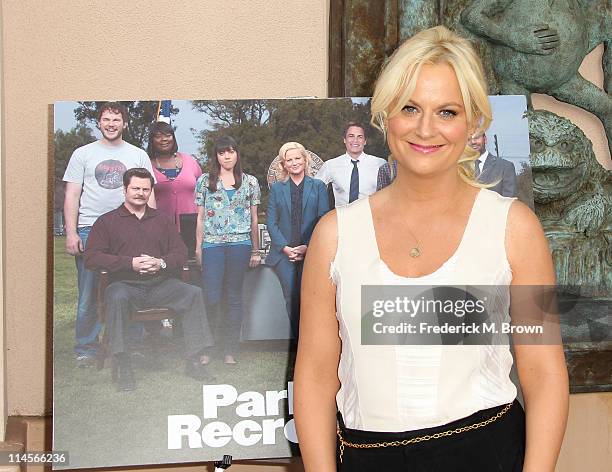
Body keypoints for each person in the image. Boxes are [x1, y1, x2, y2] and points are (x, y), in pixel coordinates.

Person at [294, 26, 568, 471]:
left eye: (446, 111)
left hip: (489, 453)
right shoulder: (333, 236)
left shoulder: (517, 229)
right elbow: (315, 375)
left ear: (474, 122)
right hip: (368, 457)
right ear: (385, 115)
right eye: (410, 108)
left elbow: (544, 372)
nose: (426, 129)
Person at [84, 168, 213, 391]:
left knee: (193, 293)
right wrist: (129, 263)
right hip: (124, 285)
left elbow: (180, 252)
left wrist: (160, 262)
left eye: (145, 189)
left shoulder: (161, 220)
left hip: (160, 285)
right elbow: (92, 257)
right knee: (116, 297)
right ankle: (124, 365)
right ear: (125, 189)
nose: (140, 193)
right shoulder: (107, 222)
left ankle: (194, 360)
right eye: (135, 188)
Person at [63, 102, 156, 366]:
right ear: (99, 122)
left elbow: (150, 195)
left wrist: (150, 231)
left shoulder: (137, 155)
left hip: (130, 227)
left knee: (131, 287)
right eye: (106, 119)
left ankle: (132, 344)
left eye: (116, 119)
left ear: (124, 123)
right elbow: (72, 195)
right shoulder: (82, 154)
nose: (111, 124)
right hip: (91, 228)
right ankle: (86, 348)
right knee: (89, 293)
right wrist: (72, 233)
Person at [195, 136, 261, 365]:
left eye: (231, 151)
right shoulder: (205, 181)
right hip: (212, 244)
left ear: (237, 154)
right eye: (222, 152)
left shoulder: (250, 182)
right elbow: (201, 218)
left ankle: (230, 349)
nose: (227, 156)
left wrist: (255, 250)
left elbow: (254, 219)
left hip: (239, 244)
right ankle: (207, 348)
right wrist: (198, 247)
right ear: (216, 156)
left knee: (234, 297)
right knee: (211, 296)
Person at [266, 142, 329, 339]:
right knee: (291, 298)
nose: (294, 163)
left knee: (311, 299)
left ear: (305, 159)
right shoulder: (277, 189)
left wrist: (307, 247)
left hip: (311, 253)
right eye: (289, 160)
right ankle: (297, 344)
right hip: (284, 255)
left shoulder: (318, 187)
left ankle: (312, 342)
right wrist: (285, 248)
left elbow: (323, 219)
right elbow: (271, 222)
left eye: (297, 158)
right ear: (284, 164)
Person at [147, 120, 202, 232]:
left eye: (168, 135)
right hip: (158, 227)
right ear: (152, 140)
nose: (164, 139)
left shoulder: (190, 161)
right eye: (158, 136)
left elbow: (202, 192)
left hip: (191, 226)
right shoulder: (145, 164)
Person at [315, 122, 386, 207]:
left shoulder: (380, 164)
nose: (355, 140)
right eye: (351, 136)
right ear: (344, 140)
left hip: (372, 217)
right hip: (341, 217)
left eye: (359, 137)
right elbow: (314, 190)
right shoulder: (330, 165)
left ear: (365, 141)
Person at [469, 132, 518, 197]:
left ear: (485, 139)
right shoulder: (459, 169)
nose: (473, 142)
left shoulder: (505, 167)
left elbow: (509, 202)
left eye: (477, 137)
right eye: (468, 139)